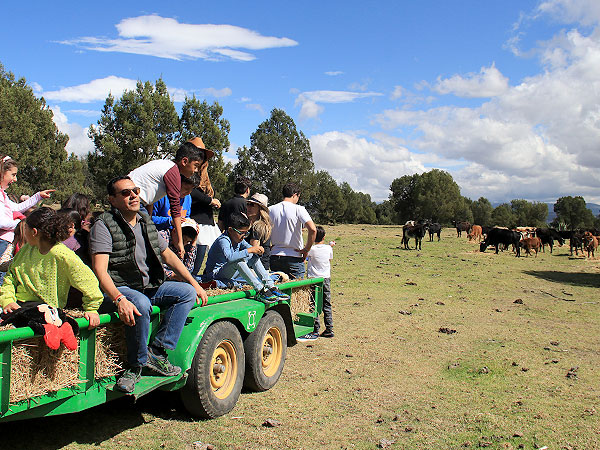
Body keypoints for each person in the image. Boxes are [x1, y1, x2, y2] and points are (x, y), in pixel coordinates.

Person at [90, 176, 209, 394]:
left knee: (185, 293)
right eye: (126, 193)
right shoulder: (104, 225)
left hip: (147, 286)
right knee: (141, 304)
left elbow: (168, 255)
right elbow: (100, 270)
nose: (133, 195)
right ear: (112, 200)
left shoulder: (145, 220)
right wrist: (119, 298)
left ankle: (157, 351)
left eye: (135, 190)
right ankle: (135, 366)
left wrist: (194, 283)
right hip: (120, 287)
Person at [0, 207, 102, 330]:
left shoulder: (62, 255)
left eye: (25, 228)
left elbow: (88, 281)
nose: (24, 231)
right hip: (18, 307)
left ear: (34, 232)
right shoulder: (26, 251)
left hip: (46, 311)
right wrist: (8, 301)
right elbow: (10, 278)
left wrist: (91, 309)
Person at [128, 138, 209, 259]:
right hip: (133, 199)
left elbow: (151, 198)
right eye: (196, 166)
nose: (196, 170)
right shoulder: (173, 172)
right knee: (150, 241)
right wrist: (180, 242)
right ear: (185, 161)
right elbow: (175, 208)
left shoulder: (166, 167)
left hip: (135, 198)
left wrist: (148, 221)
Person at [204, 212, 289, 303]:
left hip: (230, 272)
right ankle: (259, 290)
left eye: (246, 233)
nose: (244, 236)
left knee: (253, 257)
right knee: (238, 261)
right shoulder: (223, 240)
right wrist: (250, 250)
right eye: (242, 233)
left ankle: (271, 286)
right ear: (230, 230)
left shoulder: (238, 239)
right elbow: (230, 258)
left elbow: (250, 249)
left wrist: (258, 251)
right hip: (216, 274)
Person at [0, 156, 54, 281]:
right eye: (13, 175)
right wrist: (20, 223)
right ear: (2, 172)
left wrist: (38, 196)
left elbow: (17, 208)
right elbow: (1, 222)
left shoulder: (2, 195)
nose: (15, 179)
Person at [269, 182, 317, 279]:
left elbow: (263, 229)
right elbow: (312, 229)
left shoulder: (270, 209)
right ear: (295, 195)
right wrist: (306, 249)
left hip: (275, 255)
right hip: (294, 256)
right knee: (295, 290)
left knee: (277, 290)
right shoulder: (299, 209)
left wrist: (268, 246)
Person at [298, 226, 334, 341]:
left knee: (313, 304)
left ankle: (315, 329)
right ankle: (329, 329)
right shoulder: (328, 248)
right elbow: (329, 259)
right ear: (324, 237)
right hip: (326, 279)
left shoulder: (312, 249)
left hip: (313, 279)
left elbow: (305, 258)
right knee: (326, 304)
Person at [189, 160, 221, 277]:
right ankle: (193, 277)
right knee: (196, 251)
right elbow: (193, 193)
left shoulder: (205, 182)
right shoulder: (191, 180)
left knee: (206, 250)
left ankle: (204, 276)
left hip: (206, 221)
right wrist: (210, 201)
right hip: (196, 220)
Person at [245, 193, 272, 270]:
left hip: (255, 269)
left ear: (260, 209)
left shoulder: (258, 227)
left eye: (252, 205)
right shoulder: (254, 224)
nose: (248, 207)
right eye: (248, 204)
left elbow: (254, 250)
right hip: (260, 268)